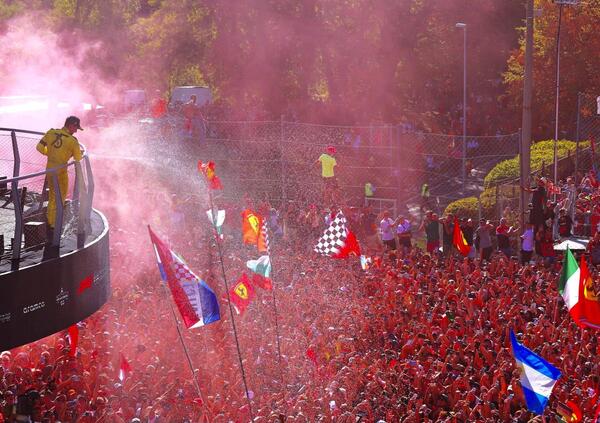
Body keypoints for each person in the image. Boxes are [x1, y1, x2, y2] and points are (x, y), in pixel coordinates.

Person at [36, 116, 83, 232]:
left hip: (50, 169)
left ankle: (50, 220)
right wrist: (75, 153)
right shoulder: (73, 141)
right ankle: (54, 224)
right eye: (76, 128)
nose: (76, 131)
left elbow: (39, 147)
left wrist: (51, 154)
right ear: (71, 125)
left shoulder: (51, 132)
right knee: (60, 197)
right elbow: (78, 158)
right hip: (61, 172)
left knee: (52, 195)